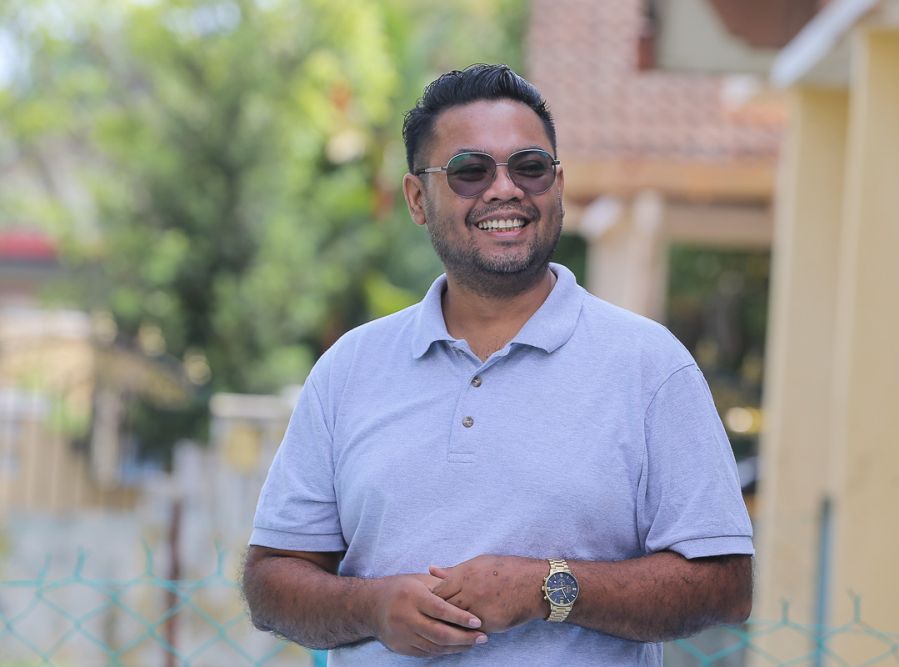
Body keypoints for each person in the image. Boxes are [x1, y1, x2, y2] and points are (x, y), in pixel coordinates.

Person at [242, 64, 753, 666]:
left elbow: (725, 586)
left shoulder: (649, 366)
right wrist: (372, 607)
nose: (504, 189)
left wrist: (549, 589)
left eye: (530, 167)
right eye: (470, 171)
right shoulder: (350, 369)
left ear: (557, 185)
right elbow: (271, 582)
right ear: (416, 199)